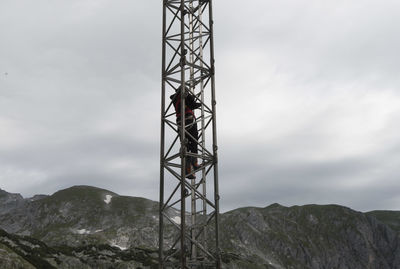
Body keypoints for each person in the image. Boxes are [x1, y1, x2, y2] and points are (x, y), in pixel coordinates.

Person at [170, 86, 201, 179]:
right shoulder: (185, 95)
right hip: (189, 120)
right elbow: (193, 105)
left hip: (180, 122)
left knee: (185, 145)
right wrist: (200, 104)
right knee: (194, 140)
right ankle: (194, 162)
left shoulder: (175, 99)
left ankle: (187, 170)